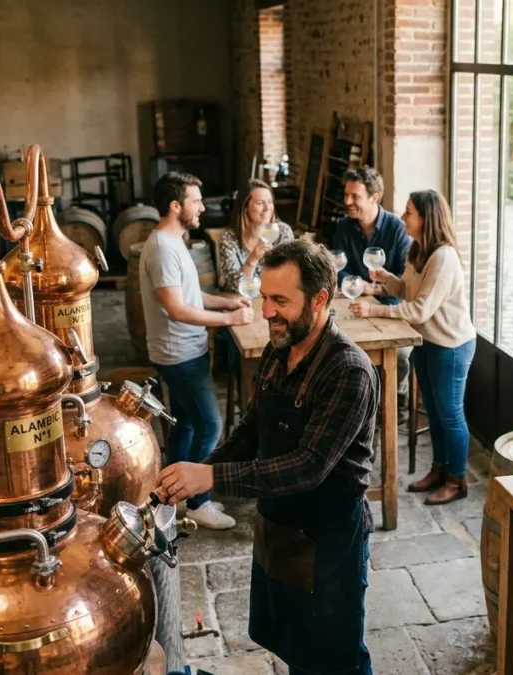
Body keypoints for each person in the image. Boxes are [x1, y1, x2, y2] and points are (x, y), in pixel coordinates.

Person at [155, 240, 378, 675]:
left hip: (327, 539)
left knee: (336, 657)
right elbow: (251, 430)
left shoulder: (348, 371)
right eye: (263, 296)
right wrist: (202, 471)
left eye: (280, 300)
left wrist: (212, 480)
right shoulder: (281, 349)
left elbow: (308, 465)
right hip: (280, 529)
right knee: (298, 646)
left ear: (319, 300)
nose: (266, 311)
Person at [140, 171, 253, 530]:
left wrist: (225, 303)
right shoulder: (161, 249)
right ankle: (199, 502)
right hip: (179, 353)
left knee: (186, 424)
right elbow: (176, 309)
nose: (202, 206)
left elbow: (191, 297)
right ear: (175, 206)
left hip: (186, 350)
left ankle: (172, 495)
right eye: (195, 200)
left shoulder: (175, 242)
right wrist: (230, 321)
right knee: (210, 424)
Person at [350, 190, 476, 505]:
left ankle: (457, 479)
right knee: (432, 414)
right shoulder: (418, 249)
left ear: (425, 218)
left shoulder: (443, 257)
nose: (403, 217)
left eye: (409, 213)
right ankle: (439, 469)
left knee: (450, 414)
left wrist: (375, 309)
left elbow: (420, 310)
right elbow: (408, 290)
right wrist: (386, 280)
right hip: (426, 342)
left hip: (451, 346)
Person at [330, 167, 413, 417]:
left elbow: (403, 279)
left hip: (390, 306)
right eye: (346, 195)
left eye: (354, 196)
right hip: (353, 303)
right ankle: (362, 406)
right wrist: (356, 286)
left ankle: (396, 400)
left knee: (398, 354)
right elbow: (337, 268)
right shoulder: (344, 227)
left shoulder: (397, 228)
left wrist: (373, 288)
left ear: (374, 198)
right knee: (338, 349)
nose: (347, 201)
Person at [217, 179, 295, 294]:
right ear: (245, 207)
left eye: (269, 202)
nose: (267, 208)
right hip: (242, 303)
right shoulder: (229, 239)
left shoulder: (283, 232)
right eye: (259, 203)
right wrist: (252, 260)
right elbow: (231, 286)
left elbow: (290, 277)